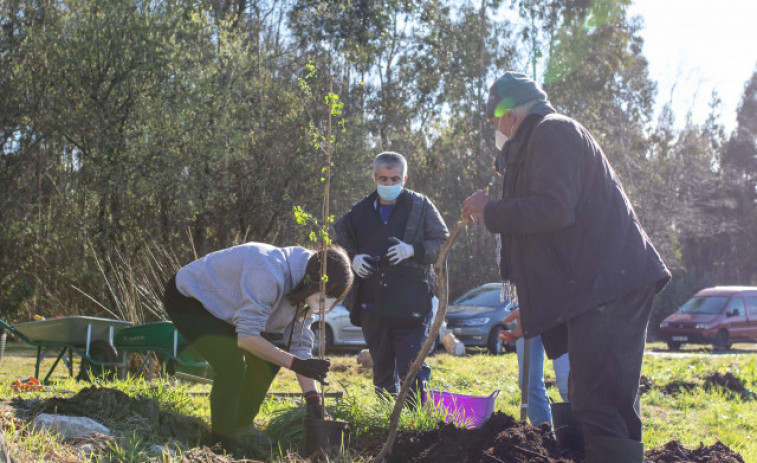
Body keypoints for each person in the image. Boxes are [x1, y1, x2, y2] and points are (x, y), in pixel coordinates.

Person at [462, 72, 671, 463]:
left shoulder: (553, 132)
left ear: (510, 115)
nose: (495, 132)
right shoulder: (536, 144)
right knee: (586, 398)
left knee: (601, 401)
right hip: (596, 290)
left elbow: (552, 210)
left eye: (495, 122)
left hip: (612, 288)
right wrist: (537, 311)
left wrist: (490, 210)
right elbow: (552, 246)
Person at [163, 242, 353, 454]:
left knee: (268, 363)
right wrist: (295, 363)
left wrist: (313, 399)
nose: (324, 303)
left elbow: (299, 346)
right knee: (231, 365)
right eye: (325, 295)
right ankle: (220, 445)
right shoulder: (267, 270)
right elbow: (247, 338)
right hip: (189, 298)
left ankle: (241, 427)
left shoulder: (309, 292)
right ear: (313, 280)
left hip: (229, 311)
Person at [334, 151, 449, 406]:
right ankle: (386, 424)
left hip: (412, 306)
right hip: (372, 307)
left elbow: (443, 241)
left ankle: (413, 426)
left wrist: (414, 250)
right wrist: (352, 259)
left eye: (394, 179)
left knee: (413, 368)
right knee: (382, 371)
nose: (388, 185)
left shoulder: (421, 206)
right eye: (383, 179)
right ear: (374, 177)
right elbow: (337, 243)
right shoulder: (359, 211)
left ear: (404, 178)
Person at [499, 308, 570, 427]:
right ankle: (545, 438)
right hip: (528, 310)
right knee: (528, 384)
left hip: (560, 310)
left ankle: (585, 438)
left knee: (567, 384)